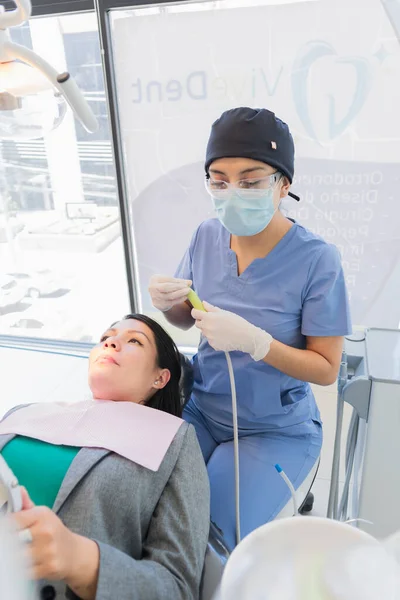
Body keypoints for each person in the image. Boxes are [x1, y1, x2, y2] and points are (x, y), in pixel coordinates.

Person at [149, 107, 352, 551]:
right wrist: (170, 306)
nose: (231, 192)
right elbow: (190, 319)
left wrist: (257, 343)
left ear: (284, 184)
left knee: (207, 540)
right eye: (218, 180)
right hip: (202, 410)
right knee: (145, 506)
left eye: (251, 180)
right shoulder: (206, 234)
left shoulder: (317, 260)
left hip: (272, 428)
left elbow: (325, 369)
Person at [0, 314, 210, 600]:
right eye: (105, 338)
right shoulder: (22, 413)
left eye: (134, 340)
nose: (111, 342)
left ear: (160, 377)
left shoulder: (173, 440)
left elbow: (178, 587)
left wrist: (81, 561)